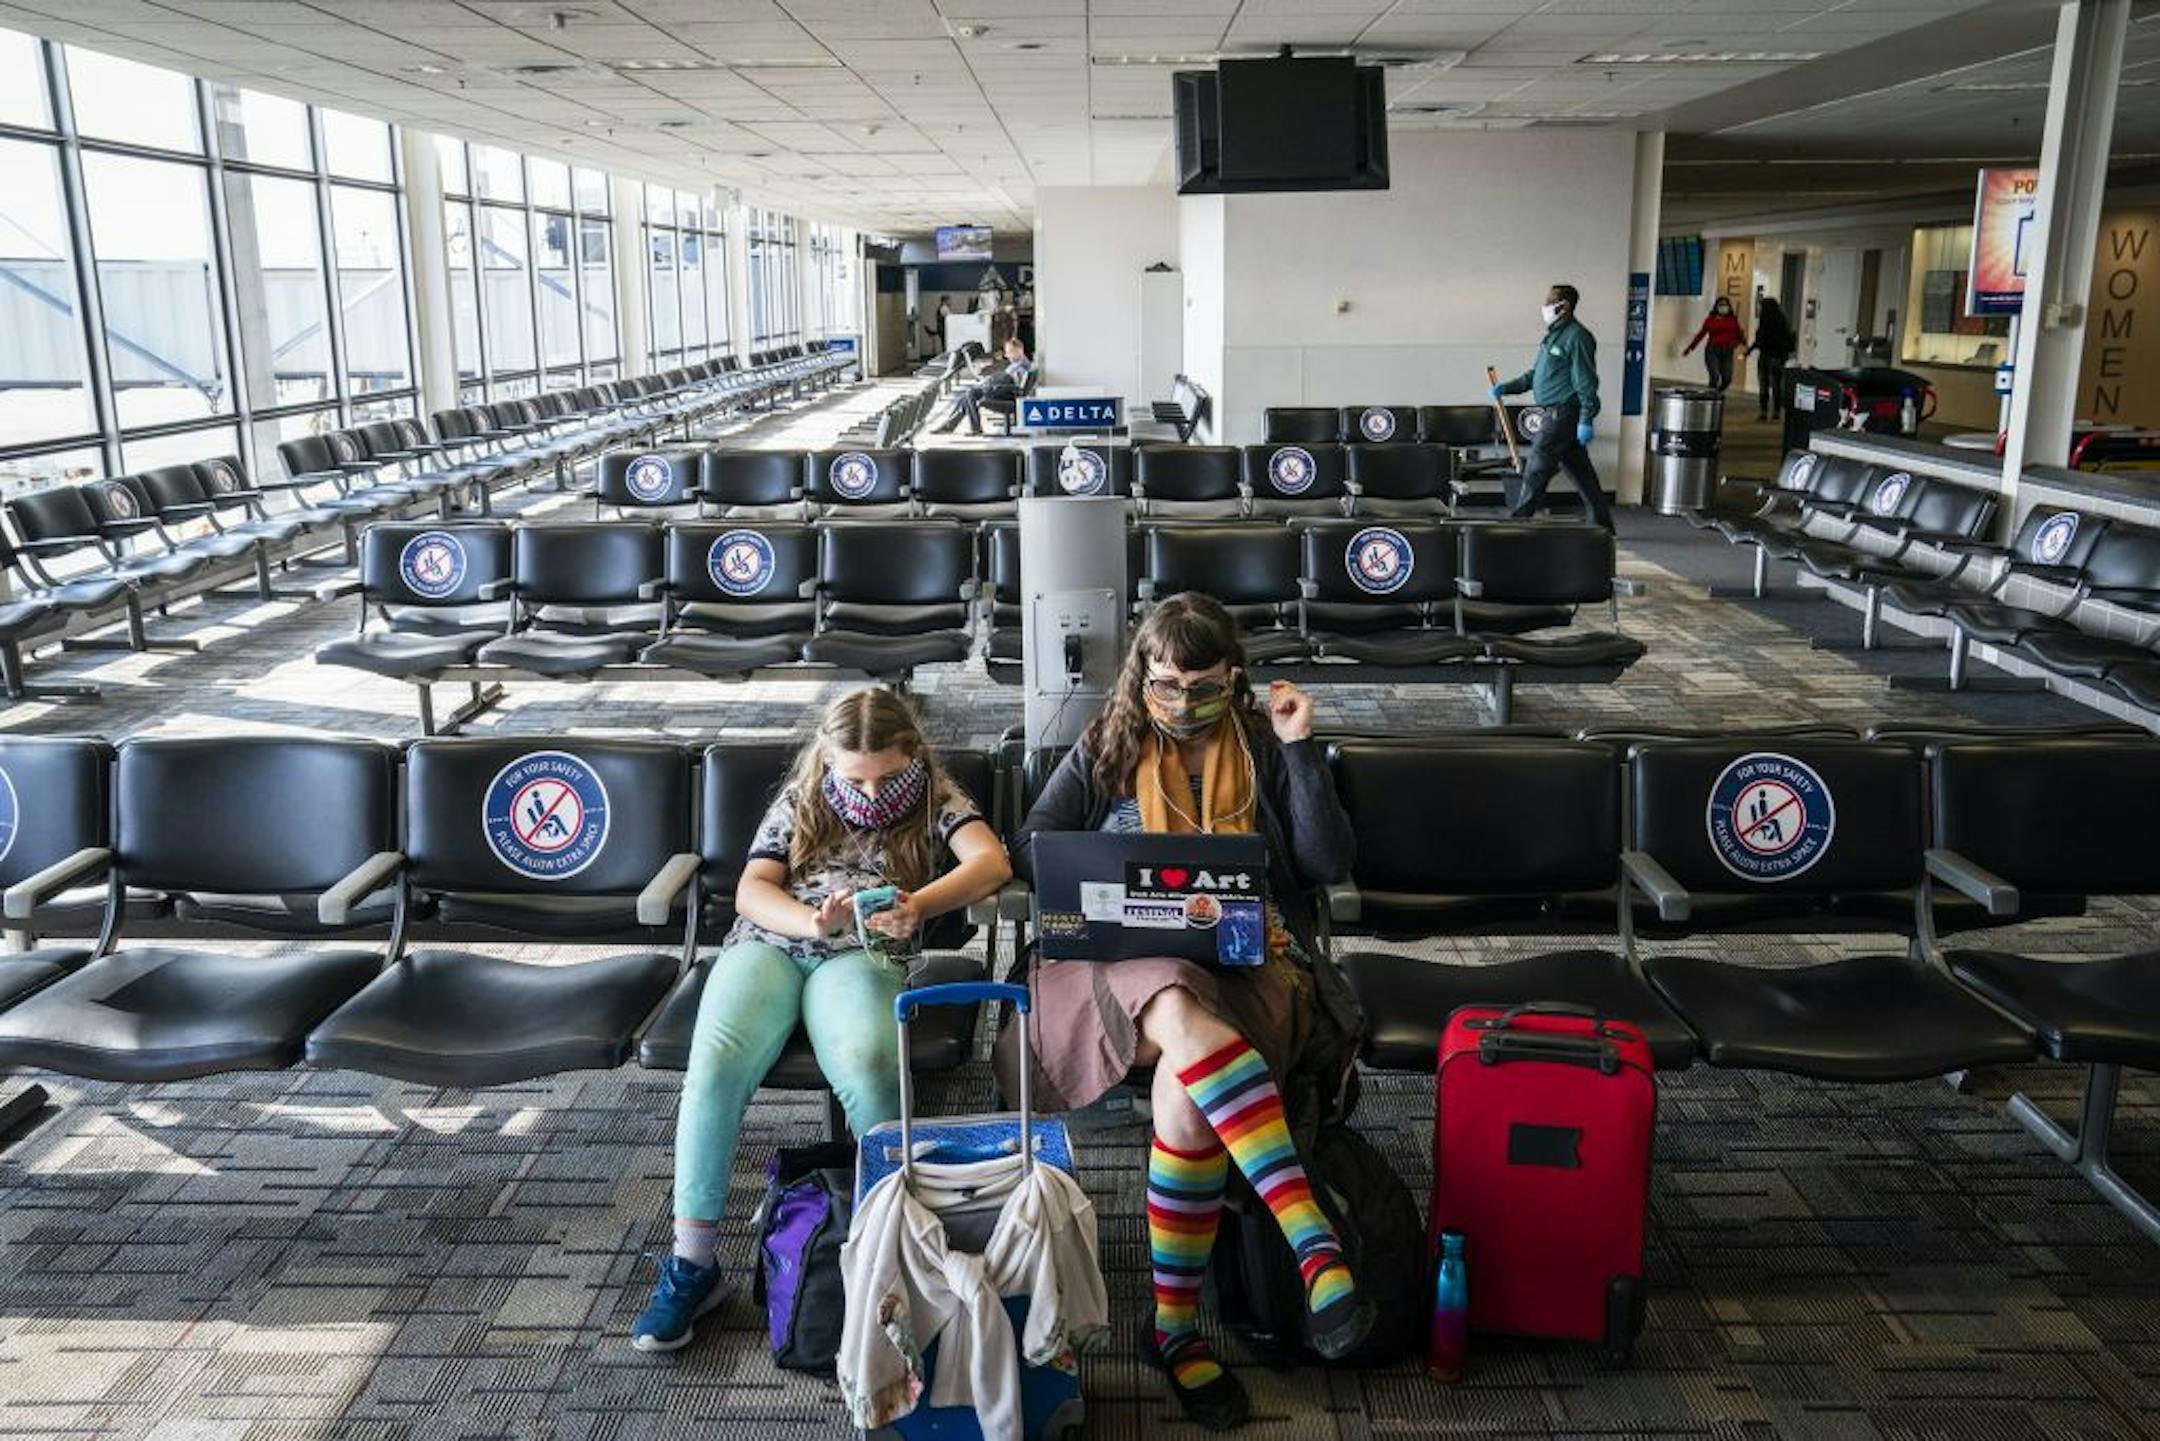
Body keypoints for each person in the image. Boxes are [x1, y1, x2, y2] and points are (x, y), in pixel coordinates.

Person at [998, 593, 1372, 1431]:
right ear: (1144, 675)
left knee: (1184, 1091)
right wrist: (1114, 870)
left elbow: (1322, 861)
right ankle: (1310, 1240)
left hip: (1248, 969)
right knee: (1167, 992)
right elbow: (1037, 840)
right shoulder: (1109, 740)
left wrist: (1300, 749)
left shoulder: (1263, 748)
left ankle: (1169, 1328)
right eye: (1165, 682)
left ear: (1231, 678)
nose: (1181, 699)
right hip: (1112, 969)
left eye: (1202, 685)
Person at [633, 688, 1013, 1353]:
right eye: (854, 776)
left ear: (913, 756)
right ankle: (694, 1262)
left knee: (870, 1063)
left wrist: (917, 904)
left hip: (861, 954)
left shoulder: (936, 796)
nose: (869, 791)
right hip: (770, 943)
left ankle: (894, 1242)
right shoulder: (807, 792)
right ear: (828, 758)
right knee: (716, 1063)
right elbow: (753, 888)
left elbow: (992, 862)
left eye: (887, 776)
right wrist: (809, 920)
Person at [1490, 282, 1615, 530]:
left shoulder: (1578, 337)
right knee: (1582, 474)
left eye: (1549, 302)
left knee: (1536, 466)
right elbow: (1535, 375)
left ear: (1564, 306)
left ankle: (1516, 524)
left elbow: (1586, 381)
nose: (1544, 307)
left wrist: (1586, 418)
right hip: (1556, 413)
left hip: (1564, 413)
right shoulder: (1553, 336)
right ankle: (1603, 525)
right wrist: (1507, 387)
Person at [933, 335, 1035, 436]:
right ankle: (951, 425)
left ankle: (968, 427)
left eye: (1009, 352)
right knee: (966, 396)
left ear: (1018, 350)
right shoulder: (1021, 362)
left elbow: (1009, 382)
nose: (1007, 355)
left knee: (970, 393)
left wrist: (988, 385)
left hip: (1005, 394)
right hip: (1003, 391)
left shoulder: (1019, 365)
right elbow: (1004, 379)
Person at [1683, 296, 1747, 394]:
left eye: (1725, 305)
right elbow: (1701, 334)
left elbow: (1739, 335)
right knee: (1715, 375)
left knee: (1727, 377)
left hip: (1727, 351)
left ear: (1729, 307)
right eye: (1721, 305)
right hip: (1712, 350)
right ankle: (1711, 394)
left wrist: (1740, 342)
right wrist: (1690, 348)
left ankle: (1717, 392)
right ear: (1716, 307)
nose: (1723, 307)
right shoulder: (1710, 320)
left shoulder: (1733, 320)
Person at [1747, 296, 1797, 421]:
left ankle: (1763, 412)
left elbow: (1759, 341)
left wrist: (1748, 351)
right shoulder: (1783, 321)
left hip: (1766, 357)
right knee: (1777, 386)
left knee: (1764, 385)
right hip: (1779, 358)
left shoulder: (1765, 322)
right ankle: (1776, 412)